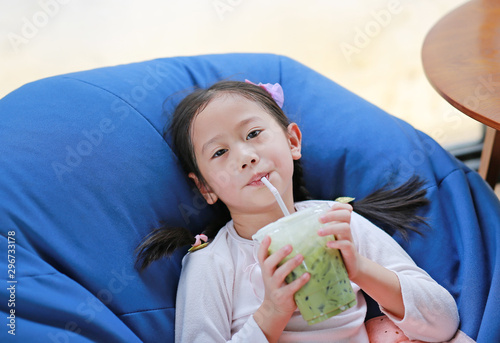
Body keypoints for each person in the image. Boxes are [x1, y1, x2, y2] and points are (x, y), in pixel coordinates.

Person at [136, 80, 460, 342]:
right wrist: (271, 313)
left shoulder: (337, 224)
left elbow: (444, 322)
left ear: (293, 141)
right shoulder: (213, 264)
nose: (246, 156)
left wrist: (360, 269)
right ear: (205, 187)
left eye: (253, 134)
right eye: (220, 152)